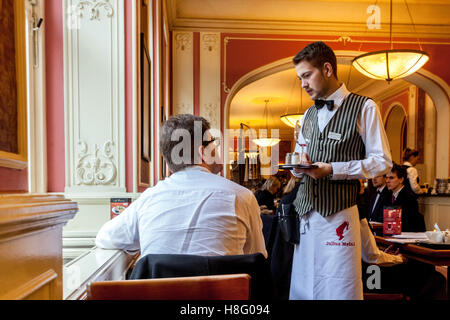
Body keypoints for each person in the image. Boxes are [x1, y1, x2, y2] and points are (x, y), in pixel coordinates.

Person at [288, 41, 393, 300]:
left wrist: (333, 169)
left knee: (339, 287)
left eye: (306, 75)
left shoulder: (364, 107)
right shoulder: (308, 115)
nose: (302, 83)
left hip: (340, 215)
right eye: (299, 77)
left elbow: (382, 162)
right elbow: (300, 159)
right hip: (306, 215)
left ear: (327, 69)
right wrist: (299, 167)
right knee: (304, 286)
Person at [96, 114, 267, 258]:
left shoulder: (150, 198)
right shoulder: (242, 196)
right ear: (203, 152)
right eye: (214, 142)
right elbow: (257, 257)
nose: (217, 148)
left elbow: (105, 237)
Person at [385, 164, 425, 232]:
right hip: (392, 234)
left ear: (401, 179)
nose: (387, 181)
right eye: (386, 177)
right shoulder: (388, 196)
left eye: (391, 178)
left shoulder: (409, 198)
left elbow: (408, 225)